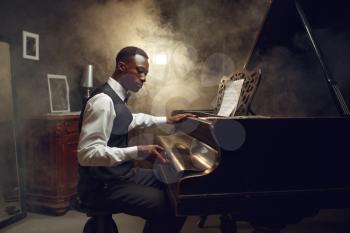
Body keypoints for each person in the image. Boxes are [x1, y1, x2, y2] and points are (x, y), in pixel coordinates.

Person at [77, 46, 192, 233]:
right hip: (101, 186)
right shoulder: (102, 101)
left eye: (146, 73)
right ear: (122, 67)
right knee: (170, 207)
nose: (144, 78)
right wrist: (138, 151)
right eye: (140, 71)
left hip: (120, 175)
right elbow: (87, 154)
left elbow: (131, 120)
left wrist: (167, 120)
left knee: (176, 184)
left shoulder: (117, 97)